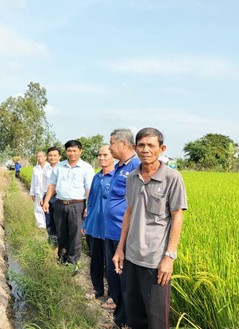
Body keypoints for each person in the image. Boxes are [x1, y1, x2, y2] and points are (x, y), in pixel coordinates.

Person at [113, 127, 187, 329]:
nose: (146, 150)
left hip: (156, 262)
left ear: (161, 148)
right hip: (132, 258)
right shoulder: (132, 178)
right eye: (142, 145)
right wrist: (120, 248)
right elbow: (129, 212)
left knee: (156, 320)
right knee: (135, 316)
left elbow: (177, 216)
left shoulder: (172, 178)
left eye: (151, 145)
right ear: (135, 148)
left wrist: (169, 257)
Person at [103, 128, 141, 328]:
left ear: (123, 144)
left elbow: (132, 206)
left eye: (111, 143)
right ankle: (119, 317)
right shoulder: (119, 166)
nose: (109, 147)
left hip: (122, 234)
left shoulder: (136, 166)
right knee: (114, 277)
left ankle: (126, 320)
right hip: (111, 232)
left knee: (125, 280)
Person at [43, 140, 94, 273]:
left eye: (74, 151)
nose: (71, 153)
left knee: (75, 234)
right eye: (69, 151)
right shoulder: (59, 167)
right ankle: (62, 258)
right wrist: (47, 201)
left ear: (80, 151)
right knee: (61, 233)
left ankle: (72, 262)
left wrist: (88, 206)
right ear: (65, 152)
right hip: (60, 204)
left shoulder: (86, 168)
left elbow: (89, 189)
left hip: (77, 205)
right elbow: (52, 186)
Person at [81, 145, 115, 300]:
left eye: (105, 155)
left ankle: (113, 295)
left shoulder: (118, 178)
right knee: (96, 260)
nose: (101, 158)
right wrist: (85, 223)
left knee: (112, 264)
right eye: (99, 155)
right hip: (94, 227)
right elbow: (91, 202)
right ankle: (97, 289)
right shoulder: (96, 177)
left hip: (111, 229)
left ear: (113, 156)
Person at [43, 146, 62, 243]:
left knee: (58, 220)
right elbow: (43, 183)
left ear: (59, 157)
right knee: (48, 220)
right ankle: (51, 242)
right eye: (50, 155)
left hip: (58, 197)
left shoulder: (63, 168)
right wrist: (43, 197)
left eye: (55, 155)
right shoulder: (46, 168)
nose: (52, 157)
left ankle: (60, 243)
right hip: (47, 196)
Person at [30, 151, 50, 229]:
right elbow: (33, 181)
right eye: (38, 156)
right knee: (38, 209)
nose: (39, 158)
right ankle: (40, 225)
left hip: (47, 192)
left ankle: (48, 225)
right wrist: (32, 192)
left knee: (47, 209)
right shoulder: (35, 168)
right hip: (38, 192)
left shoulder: (49, 167)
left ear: (45, 157)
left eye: (41, 156)